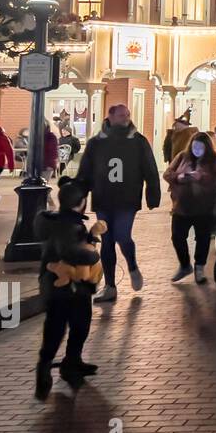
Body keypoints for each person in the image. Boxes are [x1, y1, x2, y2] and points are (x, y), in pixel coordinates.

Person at [77, 104, 161, 304]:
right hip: (103, 198)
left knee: (122, 235)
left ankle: (132, 266)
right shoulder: (96, 143)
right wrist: (78, 195)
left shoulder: (138, 142)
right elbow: (85, 171)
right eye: (122, 115)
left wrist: (153, 195)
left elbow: (150, 168)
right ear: (111, 116)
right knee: (107, 240)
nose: (126, 118)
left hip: (127, 198)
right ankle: (110, 286)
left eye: (127, 115)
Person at [34, 177, 102, 399]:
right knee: (71, 326)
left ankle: (70, 362)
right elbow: (71, 251)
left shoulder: (54, 221)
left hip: (53, 285)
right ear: (81, 202)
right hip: (69, 287)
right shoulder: (69, 226)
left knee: (61, 327)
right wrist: (92, 251)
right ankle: (52, 367)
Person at [163, 131, 216, 284]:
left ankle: (199, 267)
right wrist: (179, 177)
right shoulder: (182, 157)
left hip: (204, 208)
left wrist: (203, 178)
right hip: (182, 206)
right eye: (194, 146)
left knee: (202, 238)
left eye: (201, 147)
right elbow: (168, 173)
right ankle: (185, 265)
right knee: (177, 237)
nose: (197, 150)